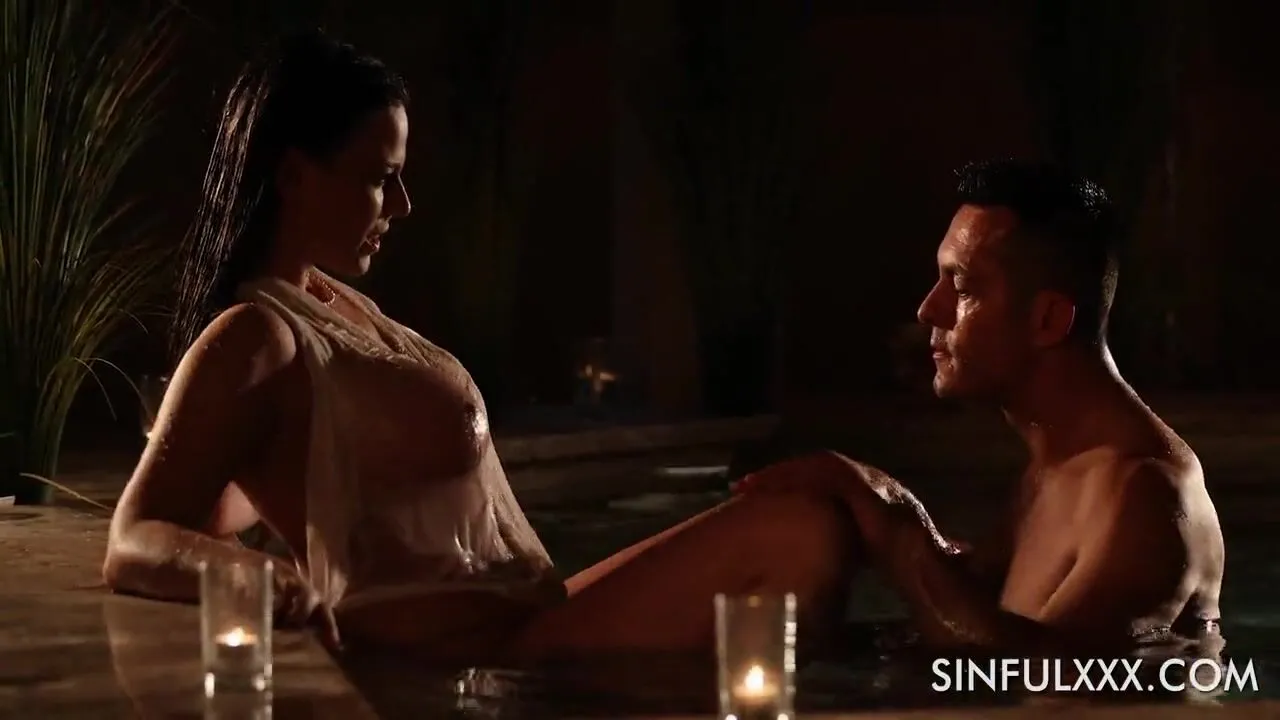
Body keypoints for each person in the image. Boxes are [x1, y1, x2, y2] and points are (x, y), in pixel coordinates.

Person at [101, 31, 863, 664]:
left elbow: (252, 484)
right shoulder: (254, 337)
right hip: (471, 656)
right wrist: (264, 581)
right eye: (381, 178)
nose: (403, 205)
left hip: (527, 622)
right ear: (296, 175)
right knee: (799, 535)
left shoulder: (336, 310)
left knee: (808, 521)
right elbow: (136, 536)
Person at [741, 159, 1225, 654]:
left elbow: (1043, 675)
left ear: (1047, 319)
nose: (928, 309)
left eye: (962, 288)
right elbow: (984, 609)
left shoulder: (1145, 496)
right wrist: (868, 508)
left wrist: (894, 524)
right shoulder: (1058, 466)